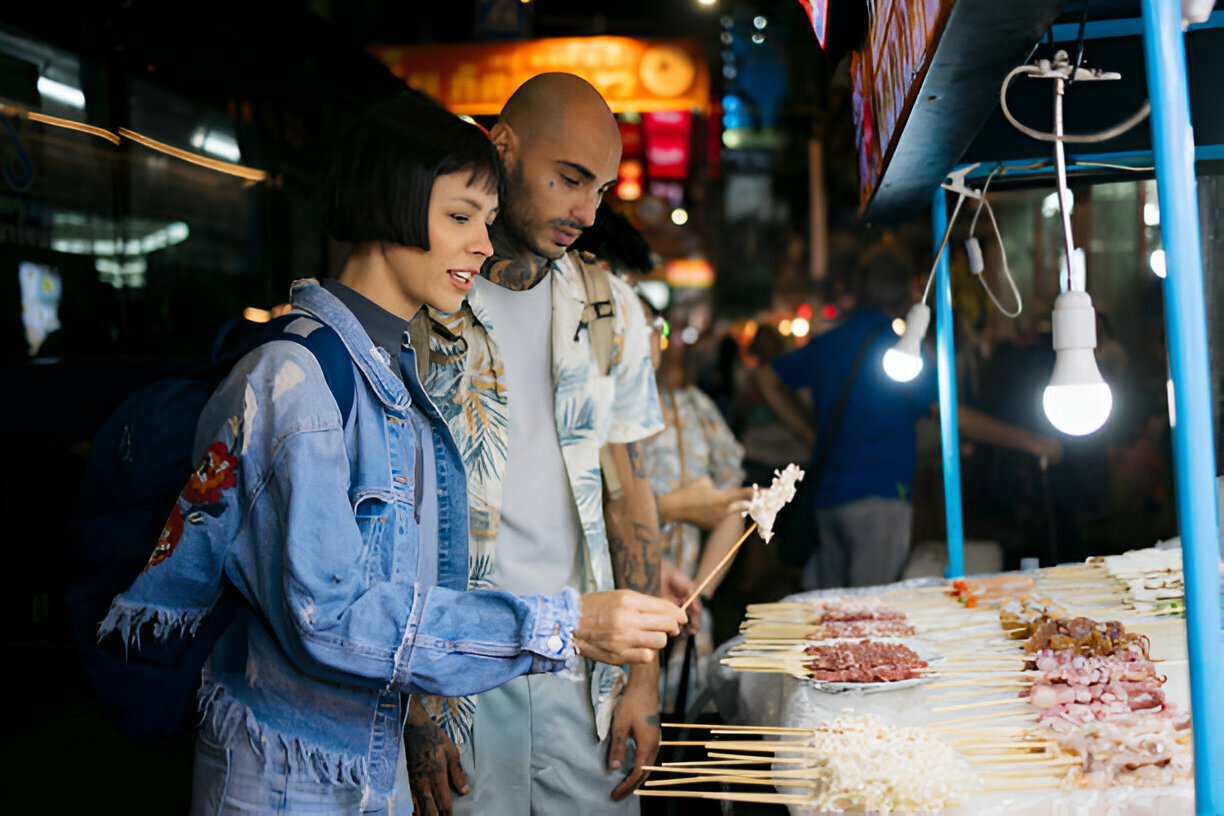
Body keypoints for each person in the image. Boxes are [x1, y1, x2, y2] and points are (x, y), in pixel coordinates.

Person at [98, 93, 684, 815]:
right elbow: (333, 618)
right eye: (461, 218)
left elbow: (400, 570)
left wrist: (630, 664)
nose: (479, 243)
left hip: (389, 748)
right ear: (395, 207)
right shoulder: (310, 374)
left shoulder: (392, 365)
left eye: (484, 222)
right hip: (308, 765)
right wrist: (558, 628)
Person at [405, 73, 679, 816]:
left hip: (583, 676)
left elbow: (631, 501)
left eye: (601, 188)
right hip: (455, 673)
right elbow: (390, 517)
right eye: (569, 180)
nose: (586, 212)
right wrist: (413, 709)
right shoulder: (425, 300)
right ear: (502, 148)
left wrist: (644, 677)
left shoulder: (609, 309)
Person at [753, 245, 1065, 590]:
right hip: (880, 499)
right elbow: (953, 417)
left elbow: (766, 379)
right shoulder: (903, 350)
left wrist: (807, 432)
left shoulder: (830, 342)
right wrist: (1032, 442)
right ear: (905, 298)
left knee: (830, 612)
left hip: (829, 498)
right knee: (870, 615)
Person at [638, 296, 753, 714]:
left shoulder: (699, 407)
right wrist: (674, 507)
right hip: (631, 598)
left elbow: (733, 504)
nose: (664, 344)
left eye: (663, 333)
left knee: (685, 728)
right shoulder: (611, 413)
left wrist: (698, 596)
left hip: (689, 599)